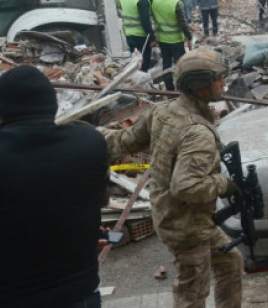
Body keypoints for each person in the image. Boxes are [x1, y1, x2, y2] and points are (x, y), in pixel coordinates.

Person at [0, 66, 107, 308]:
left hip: (6, 298)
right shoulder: (90, 142)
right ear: (52, 107)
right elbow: (100, 199)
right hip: (80, 294)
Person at [101, 51, 243, 308]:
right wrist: (225, 184)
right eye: (219, 78)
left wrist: (88, 134)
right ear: (201, 86)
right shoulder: (196, 132)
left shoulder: (164, 111)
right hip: (186, 228)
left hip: (181, 218)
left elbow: (125, 141)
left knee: (230, 262)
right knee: (193, 294)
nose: (224, 83)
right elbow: (187, 187)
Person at [152, 0, 192, 90]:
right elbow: (183, 23)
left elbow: (155, 19)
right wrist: (189, 37)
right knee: (181, 65)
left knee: (166, 64)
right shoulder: (176, 3)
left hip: (162, 39)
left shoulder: (155, 1)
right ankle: (182, 88)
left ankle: (169, 89)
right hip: (176, 40)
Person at [120, 0, 156, 71]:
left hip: (129, 34)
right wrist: (152, 37)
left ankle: (135, 80)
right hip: (141, 36)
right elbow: (145, 21)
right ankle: (141, 84)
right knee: (143, 63)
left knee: (135, 62)